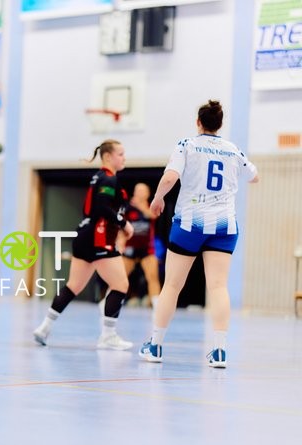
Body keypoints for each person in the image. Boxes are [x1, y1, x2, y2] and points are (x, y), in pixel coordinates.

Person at [140, 100, 259, 368]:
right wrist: (248, 176)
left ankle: (156, 346)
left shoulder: (187, 144)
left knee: (172, 285)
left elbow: (170, 177)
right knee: (218, 286)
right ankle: (219, 352)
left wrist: (158, 198)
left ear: (198, 122)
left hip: (190, 225)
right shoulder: (232, 150)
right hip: (224, 227)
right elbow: (254, 175)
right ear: (220, 124)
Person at [32, 140, 134, 350]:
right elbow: (101, 207)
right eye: (121, 154)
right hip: (99, 238)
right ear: (107, 157)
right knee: (120, 285)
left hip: (83, 235)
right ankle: (108, 335)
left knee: (74, 286)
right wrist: (124, 224)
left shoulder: (98, 177)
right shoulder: (108, 177)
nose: (124, 158)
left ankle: (44, 327)